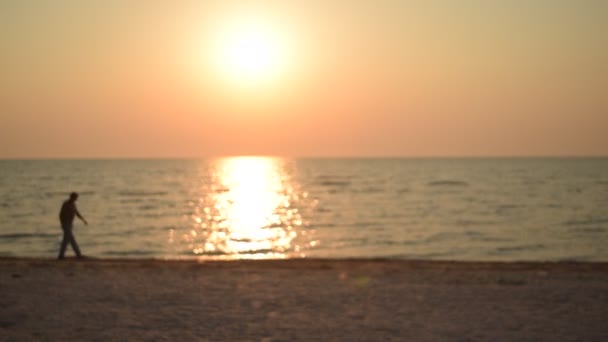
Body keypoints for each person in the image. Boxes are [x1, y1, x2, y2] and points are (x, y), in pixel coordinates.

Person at [58, 192, 88, 259]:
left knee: (71, 239)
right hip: (65, 223)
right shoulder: (66, 204)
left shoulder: (73, 204)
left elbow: (77, 213)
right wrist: (62, 223)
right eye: (75, 198)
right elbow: (61, 214)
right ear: (72, 197)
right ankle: (61, 255)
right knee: (66, 239)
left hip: (70, 224)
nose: (76, 199)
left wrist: (83, 220)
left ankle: (78, 254)